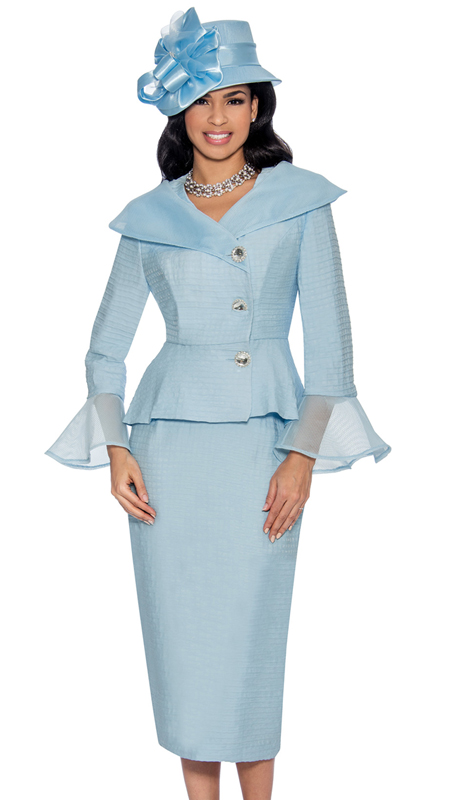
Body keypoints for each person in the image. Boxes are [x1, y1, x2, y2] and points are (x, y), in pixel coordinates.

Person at [45, 7, 391, 800]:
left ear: (258, 106)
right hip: (167, 455)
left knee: (248, 645)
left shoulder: (300, 200)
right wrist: (118, 447)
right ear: (178, 107)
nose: (218, 116)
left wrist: (301, 457)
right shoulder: (150, 216)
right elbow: (104, 349)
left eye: (235, 98)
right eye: (202, 98)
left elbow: (331, 350)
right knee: (186, 649)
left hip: (262, 450)